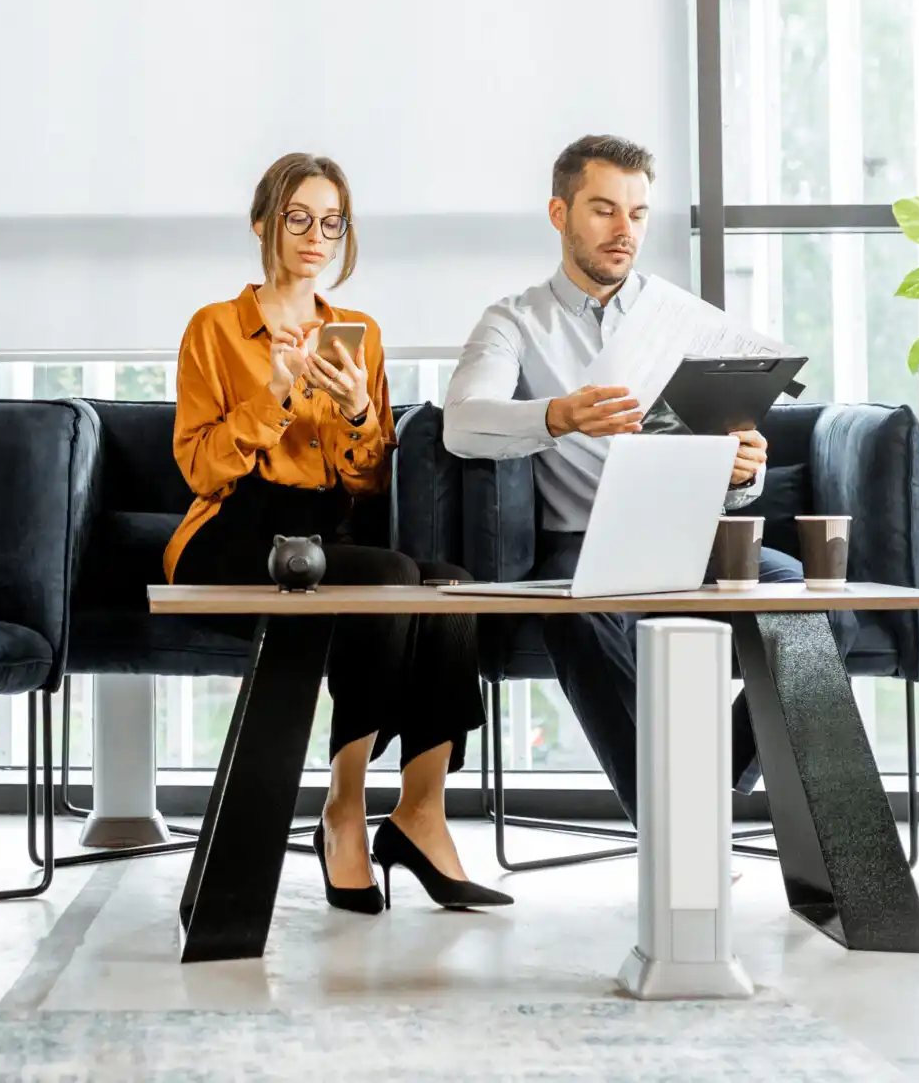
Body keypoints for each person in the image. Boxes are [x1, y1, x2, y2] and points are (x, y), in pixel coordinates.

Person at [440, 134, 856, 811]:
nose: (623, 230)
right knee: (576, 622)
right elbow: (461, 424)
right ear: (559, 213)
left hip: (691, 538)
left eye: (637, 214)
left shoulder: (681, 319)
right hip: (586, 548)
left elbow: (730, 461)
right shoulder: (515, 322)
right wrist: (560, 415)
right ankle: (676, 818)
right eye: (603, 210)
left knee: (823, 604)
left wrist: (740, 469)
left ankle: (698, 804)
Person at [168, 152, 506, 915]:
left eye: (331, 222)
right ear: (263, 223)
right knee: (386, 573)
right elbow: (200, 468)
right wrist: (276, 397)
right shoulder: (216, 328)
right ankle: (342, 809)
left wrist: (359, 412)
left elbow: (368, 480)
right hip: (231, 527)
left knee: (447, 581)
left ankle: (421, 813)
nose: (315, 236)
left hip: (320, 531)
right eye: (298, 218)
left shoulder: (359, 335)